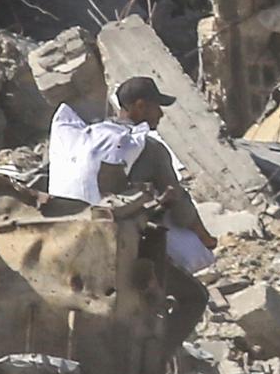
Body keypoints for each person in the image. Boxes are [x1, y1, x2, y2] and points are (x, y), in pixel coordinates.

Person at [47, 75, 218, 275]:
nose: (161, 114)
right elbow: (181, 211)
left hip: (65, 232)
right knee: (194, 257)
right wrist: (206, 239)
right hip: (117, 237)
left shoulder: (90, 138)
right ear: (140, 106)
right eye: (157, 107)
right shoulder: (148, 147)